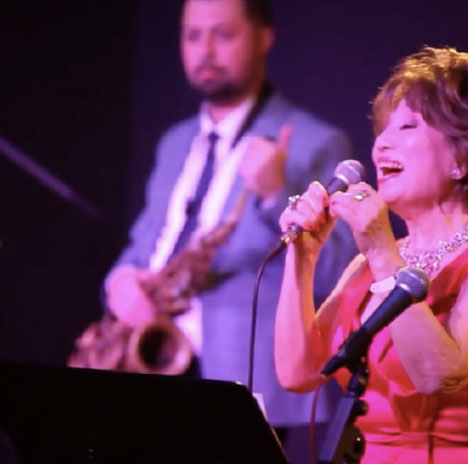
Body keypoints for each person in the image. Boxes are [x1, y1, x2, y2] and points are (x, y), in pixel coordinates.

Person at [274, 46, 468, 463]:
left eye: (407, 127)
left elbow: (437, 375)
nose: (381, 143)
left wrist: (383, 255)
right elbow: (298, 373)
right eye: (383, 129)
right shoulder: (369, 263)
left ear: (462, 158)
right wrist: (303, 259)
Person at [104, 0, 355, 430]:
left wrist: (277, 194)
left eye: (223, 34)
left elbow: (340, 275)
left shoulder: (316, 141)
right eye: (192, 35)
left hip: (237, 380)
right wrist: (120, 281)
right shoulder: (175, 141)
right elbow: (144, 245)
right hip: (148, 364)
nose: (205, 50)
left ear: (264, 37)